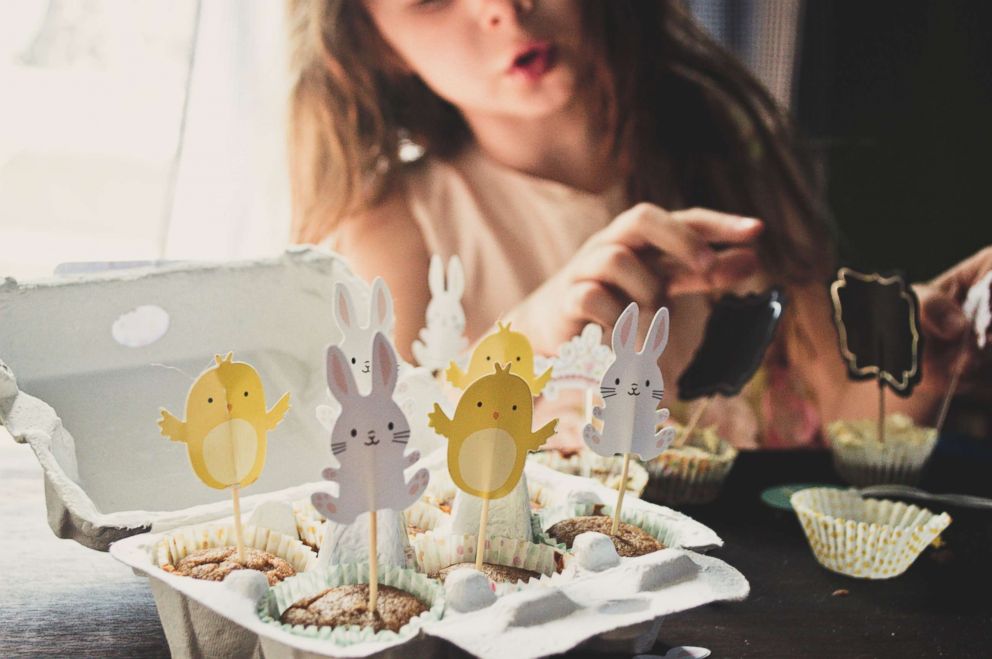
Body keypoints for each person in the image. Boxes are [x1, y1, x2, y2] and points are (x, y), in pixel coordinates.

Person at [284, 0, 991, 447]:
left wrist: (922, 364)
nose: (503, 7)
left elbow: (840, 407)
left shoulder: (725, 151)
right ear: (372, 41)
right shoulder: (392, 230)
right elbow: (377, 467)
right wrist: (530, 339)